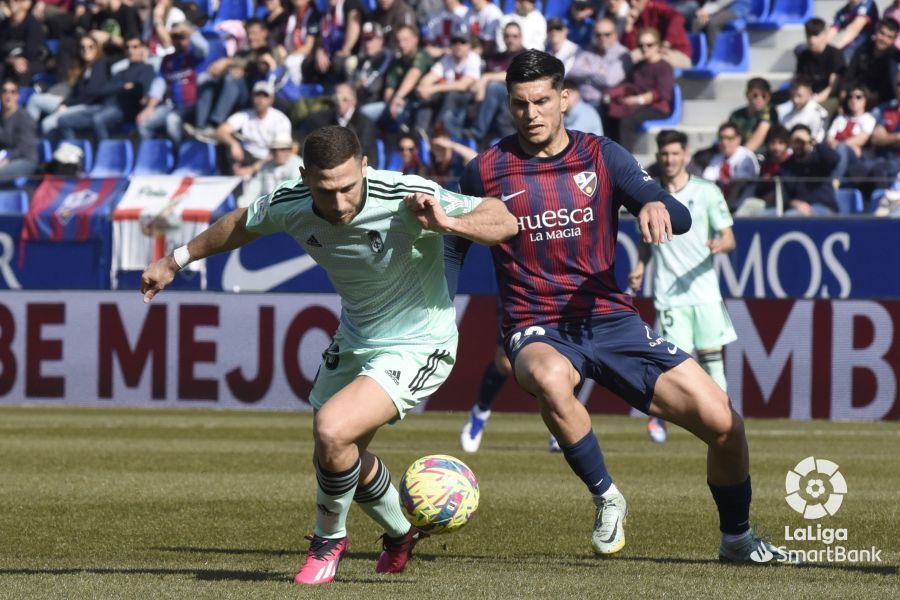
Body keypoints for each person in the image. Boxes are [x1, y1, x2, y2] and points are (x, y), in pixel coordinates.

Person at [448, 49, 790, 563]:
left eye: (542, 101)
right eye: (520, 104)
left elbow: (677, 213)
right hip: (535, 324)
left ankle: (737, 540)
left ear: (566, 98)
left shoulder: (602, 156)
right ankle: (607, 496)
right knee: (548, 377)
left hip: (609, 319)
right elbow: (455, 243)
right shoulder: (486, 170)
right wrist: (437, 307)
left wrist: (655, 203)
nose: (532, 114)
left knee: (724, 424)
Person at [140, 125, 518, 585]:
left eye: (347, 188)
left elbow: (503, 219)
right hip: (356, 337)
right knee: (338, 453)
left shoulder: (404, 193)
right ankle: (401, 532)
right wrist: (173, 260)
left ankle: (328, 542)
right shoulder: (292, 202)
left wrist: (449, 223)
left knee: (333, 429)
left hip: (420, 342)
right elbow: (239, 224)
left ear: (363, 167)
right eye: (325, 191)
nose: (338, 204)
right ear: (304, 177)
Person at [628, 129, 737, 445]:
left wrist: (720, 244)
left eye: (675, 154)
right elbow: (646, 241)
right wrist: (639, 268)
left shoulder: (707, 192)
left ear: (686, 155)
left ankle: (725, 417)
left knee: (712, 357)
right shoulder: (648, 196)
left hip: (704, 293)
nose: (670, 159)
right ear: (659, 157)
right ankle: (657, 419)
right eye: (664, 154)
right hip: (669, 295)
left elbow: (729, 237)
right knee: (670, 365)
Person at [764, 124, 839, 216]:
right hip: (795, 208)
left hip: (823, 208)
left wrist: (812, 141)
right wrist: (793, 203)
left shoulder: (820, 159)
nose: (799, 145)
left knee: (791, 216)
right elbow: (783, 195)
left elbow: (835, 160)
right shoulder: (786, 166)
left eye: (802, 141)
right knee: (762, 215)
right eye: (796, 141)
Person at [0, 79, 39, 182]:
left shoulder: (24, 118)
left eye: (13, 92)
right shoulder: (1, 117)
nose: (8, 95)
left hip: (24, 159)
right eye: (4, 91)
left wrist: (7, 158)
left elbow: (23, 148)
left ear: (18, 96)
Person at [727, 77, 777, 157]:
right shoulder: (736, 116)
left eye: (764, 96)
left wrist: (765, 118)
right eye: (755, 95)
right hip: (738, 156)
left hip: (764, 158)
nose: (759, 99)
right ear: (747, 94)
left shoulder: (772, 114)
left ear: (769, 96)